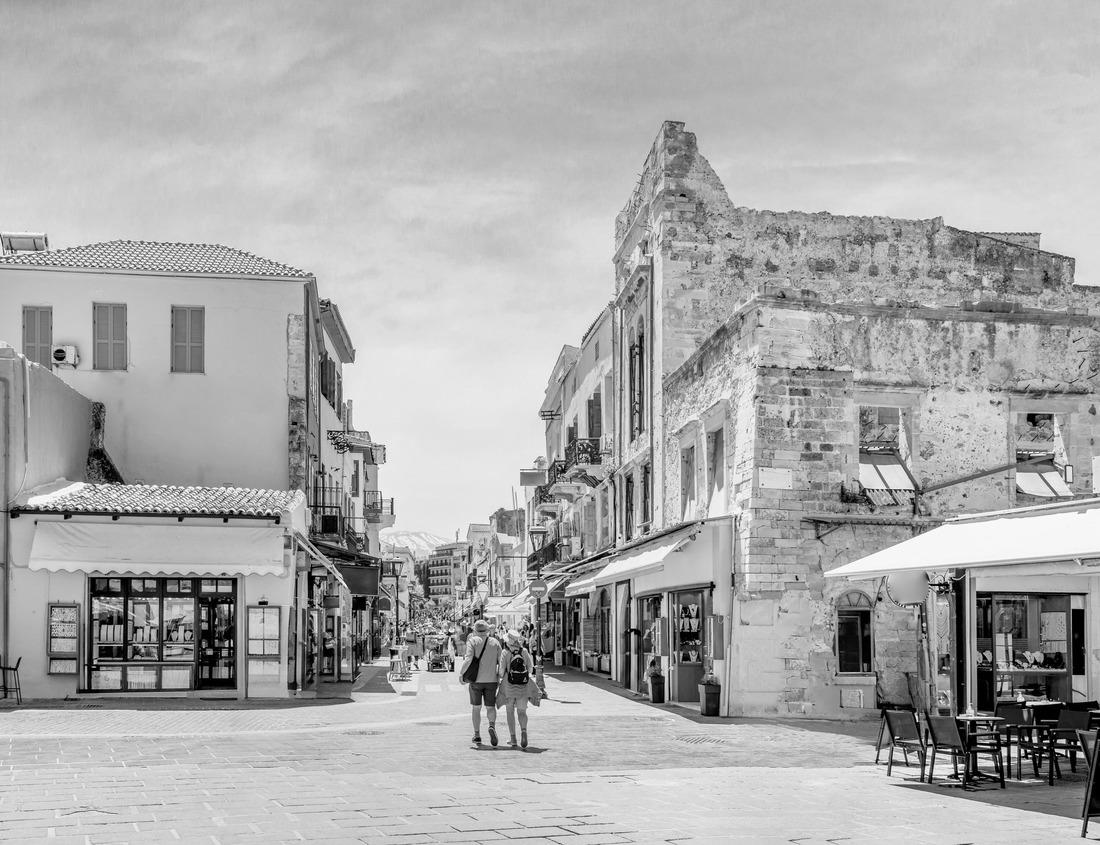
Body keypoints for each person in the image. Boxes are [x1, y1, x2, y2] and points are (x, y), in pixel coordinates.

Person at [459, 619, 503, 746]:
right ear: (487, 630)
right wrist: (500, 676)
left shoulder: (472, 641)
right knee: (490, 707)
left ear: (475, 630)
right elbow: (501, 661)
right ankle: (491, 726)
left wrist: (461, 674)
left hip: (476, 680)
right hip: (491, 680)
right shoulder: (495, 642)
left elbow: (468, 660)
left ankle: (477, 734)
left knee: (476, 708)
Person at [497, 629, 537, 749]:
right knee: (522, 712)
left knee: (510, 712)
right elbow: (530, 669)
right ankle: (523, 731)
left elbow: (500, 672)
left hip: (509, 686)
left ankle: (513, 738)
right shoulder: (524, 651)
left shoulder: (505, 652)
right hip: (523, 686)